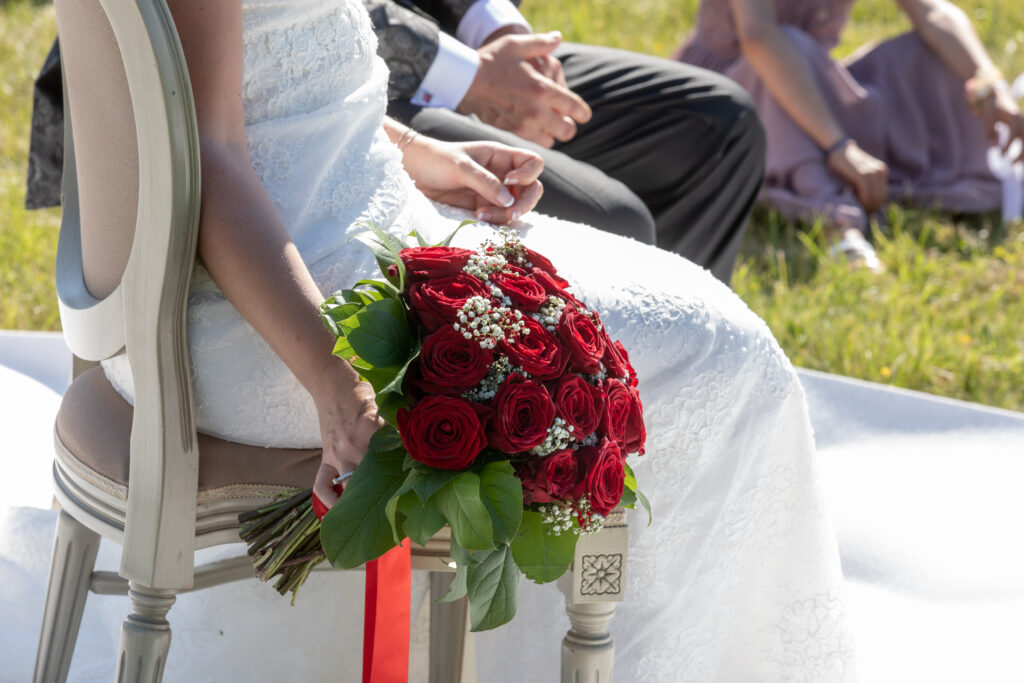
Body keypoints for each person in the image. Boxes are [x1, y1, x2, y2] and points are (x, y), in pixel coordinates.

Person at [89, 0, 856, 679]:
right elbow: (206, 155)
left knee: (707, 334)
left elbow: (275, 71)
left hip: (334, 231)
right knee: (724, 357)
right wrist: (337, 381)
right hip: (280, 308)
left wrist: (422, 158)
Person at [356, 0, 767, 284]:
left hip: (460, 37)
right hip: (363, 89)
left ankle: (693, 354)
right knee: (617, 222)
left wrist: (501, 28)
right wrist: (470, 79)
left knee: (719, 126)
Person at [675, 0, 1023, 271]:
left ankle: (982, 160)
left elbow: (931, 10)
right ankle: (835, 219)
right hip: (727, 99)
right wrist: (839, 146)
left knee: (926, 56)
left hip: (809, 81)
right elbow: (759, 36)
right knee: (789, 48)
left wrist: (989, 81)